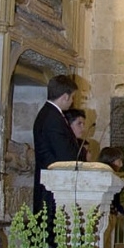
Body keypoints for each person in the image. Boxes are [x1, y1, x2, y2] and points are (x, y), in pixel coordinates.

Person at [31, 75, 80, 236]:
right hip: (53, 188)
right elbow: (64, 156)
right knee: (51, 236)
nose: (72, 101)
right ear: (65, 96)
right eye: (72, 97)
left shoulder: (50, 114)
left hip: (53, 185)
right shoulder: (52, 117)